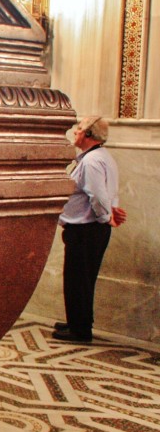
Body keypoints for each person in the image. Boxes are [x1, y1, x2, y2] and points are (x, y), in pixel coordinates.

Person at [53, 116, 127, 344]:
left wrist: (107, 217)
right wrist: (110, 214)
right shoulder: (97, 157)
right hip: (88, 228)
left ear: (88, 135)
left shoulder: (92, 161)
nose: (75, 132)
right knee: (80, 278)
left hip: (86, 229)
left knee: (79, 279)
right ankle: (77, 322)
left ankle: (80, 329)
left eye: (79, 129)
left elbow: (98, 195)